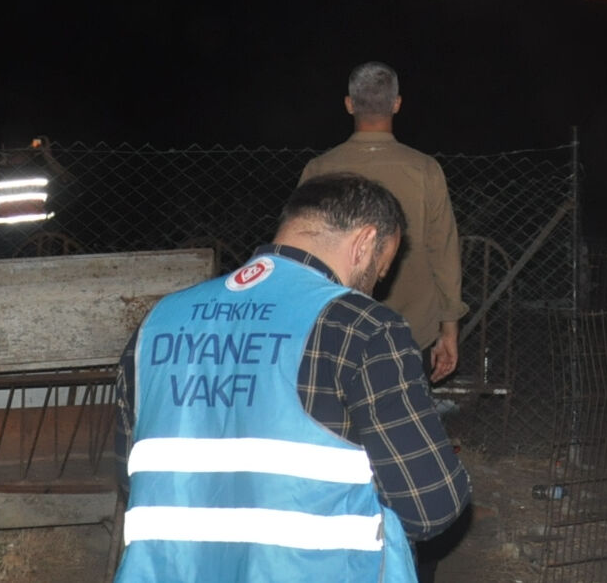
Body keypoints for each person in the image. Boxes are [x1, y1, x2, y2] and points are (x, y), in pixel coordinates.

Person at [114, 174, 470, 583]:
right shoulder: (362, 326)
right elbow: (429, 507)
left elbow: (132, 477)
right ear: (365, 242)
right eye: (381, 268)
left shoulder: (158, 322)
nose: (376, 284)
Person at [302, 61, 467, 384]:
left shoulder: (319, 170)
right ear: (396, 104)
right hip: (409, 333)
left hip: (335, 331)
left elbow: (299, 258)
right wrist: (448, 328)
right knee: (398, 430)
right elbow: (444, 252)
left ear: (349, 105)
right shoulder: (425, 170)